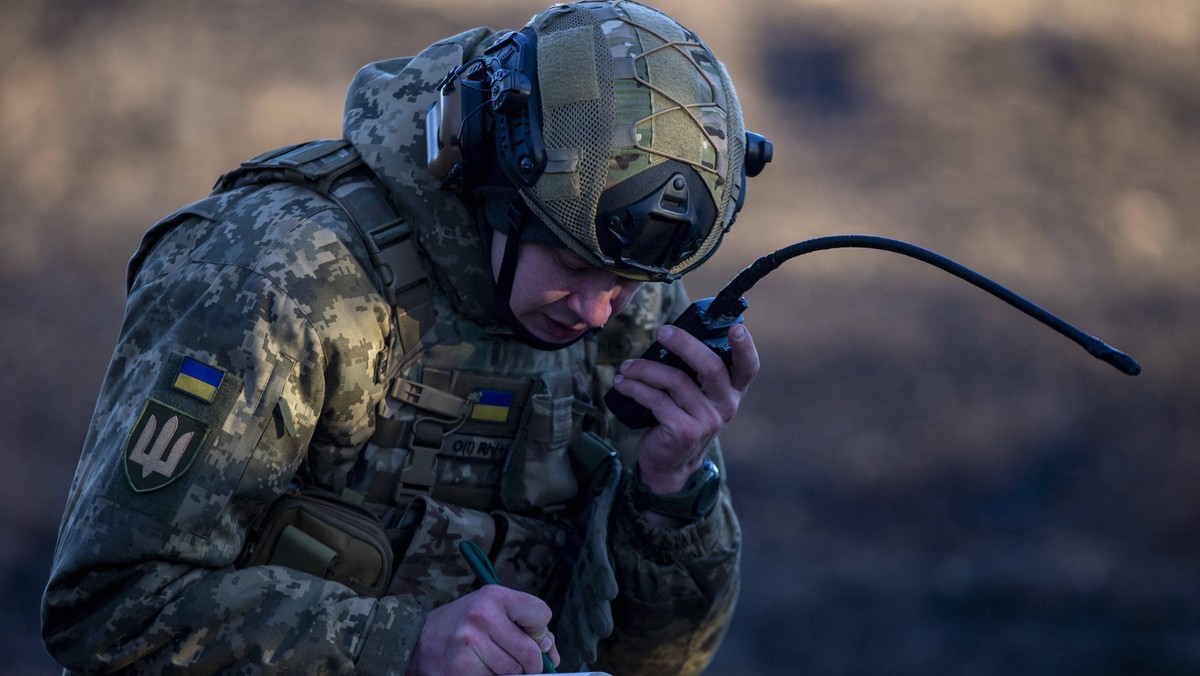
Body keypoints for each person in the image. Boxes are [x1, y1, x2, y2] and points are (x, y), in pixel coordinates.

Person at [42, 1, 770, 673]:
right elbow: (110, 610)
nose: (600, 311)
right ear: (492, 181)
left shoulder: (624, 288)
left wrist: (670, 494)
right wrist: (400, 646)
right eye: (574, 265)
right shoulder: (277, 274)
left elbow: (657, 663)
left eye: (629, 283)